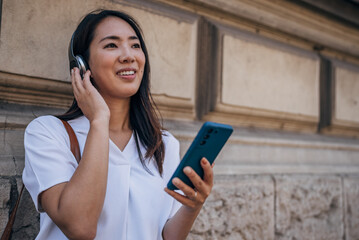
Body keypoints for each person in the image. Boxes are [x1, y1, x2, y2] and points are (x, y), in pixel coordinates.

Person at [22, 9, 214, 239]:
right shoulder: (48, 133)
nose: (128, 56)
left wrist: (192, 206)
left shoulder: (162, 144)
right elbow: (80, 227)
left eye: (135, 45)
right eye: (111, 45)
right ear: (82, 64)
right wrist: (99, 120)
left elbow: (166, 235)